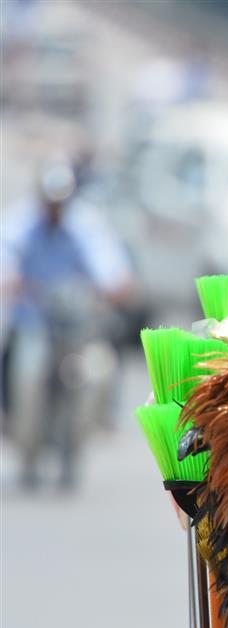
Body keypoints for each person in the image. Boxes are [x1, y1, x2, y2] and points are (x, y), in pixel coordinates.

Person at [2, 157, 134, 490]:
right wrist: (12, 280)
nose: (55, 209)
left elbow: (108, 262)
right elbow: (7, 252)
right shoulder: (22, 222)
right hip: (35, 319)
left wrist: (115, 284)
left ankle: (101, 419)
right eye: (50, 202)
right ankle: (13, 418)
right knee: (24, 368)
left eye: (60, 202)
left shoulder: (85, 224)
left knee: (100, 367)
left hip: (76, 324)